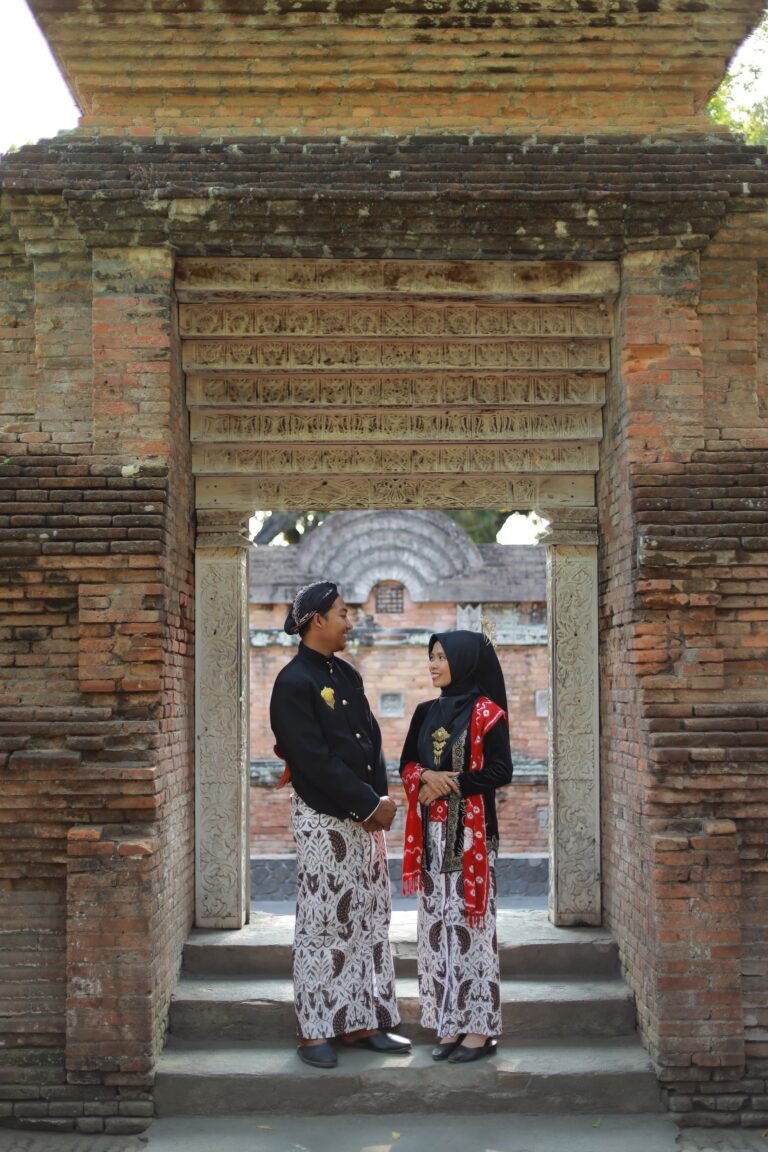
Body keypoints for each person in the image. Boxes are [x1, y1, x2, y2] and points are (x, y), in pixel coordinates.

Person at [269, 579, 411, 1069]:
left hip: (364, 819)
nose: (351, 621)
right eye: (344, 613)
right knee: (323, 924)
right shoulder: (293, 683)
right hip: (323, 820)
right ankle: (315, 1032)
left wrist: (379, 800)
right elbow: (312, 760)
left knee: (367, 920)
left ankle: (360, 1023)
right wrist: (367, 804)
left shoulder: (346, 675)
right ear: (317, 620)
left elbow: (370, 741)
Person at [399, 629, 513, 1064]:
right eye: (431, 657)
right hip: (431, 841)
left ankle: (479, 1030)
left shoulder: (488, 714)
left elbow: (501, 770)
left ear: (463, 661)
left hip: (471, 839)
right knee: (437, 932)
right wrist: (424, 778)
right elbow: (407, 764)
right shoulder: (425, 712)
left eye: (441, 657)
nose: (432, 665)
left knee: (472, 931)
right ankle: (448, 1023)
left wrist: (450, 785)